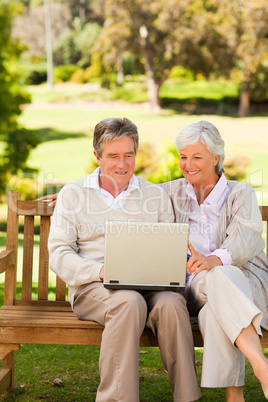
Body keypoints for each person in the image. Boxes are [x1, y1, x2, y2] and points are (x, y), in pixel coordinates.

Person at [47, 117, 201, 402]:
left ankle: (188, 398)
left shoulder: (154, 194)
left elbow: (173, 247)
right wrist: (101, 270)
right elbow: (58, 254)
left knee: (172, 303)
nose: (122, 164)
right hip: (95, 287)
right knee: (127, 301)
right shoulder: (74, 194)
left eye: (128, 155)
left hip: (151, 287)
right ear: (97, 156)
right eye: (113, 156)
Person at [160, 120, 268, 401]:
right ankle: (262, 367)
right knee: (215, 279)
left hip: (244, 284)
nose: (188, 164)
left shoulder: (240, 193)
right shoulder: (168, 193)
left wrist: (213, 260)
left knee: (215, 304)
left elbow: (245, 238)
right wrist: (74, 195)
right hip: (195, 288)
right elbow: (125, 198)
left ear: (216, 158)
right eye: (183, 157)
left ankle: (235, 396)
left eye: (197, 157)